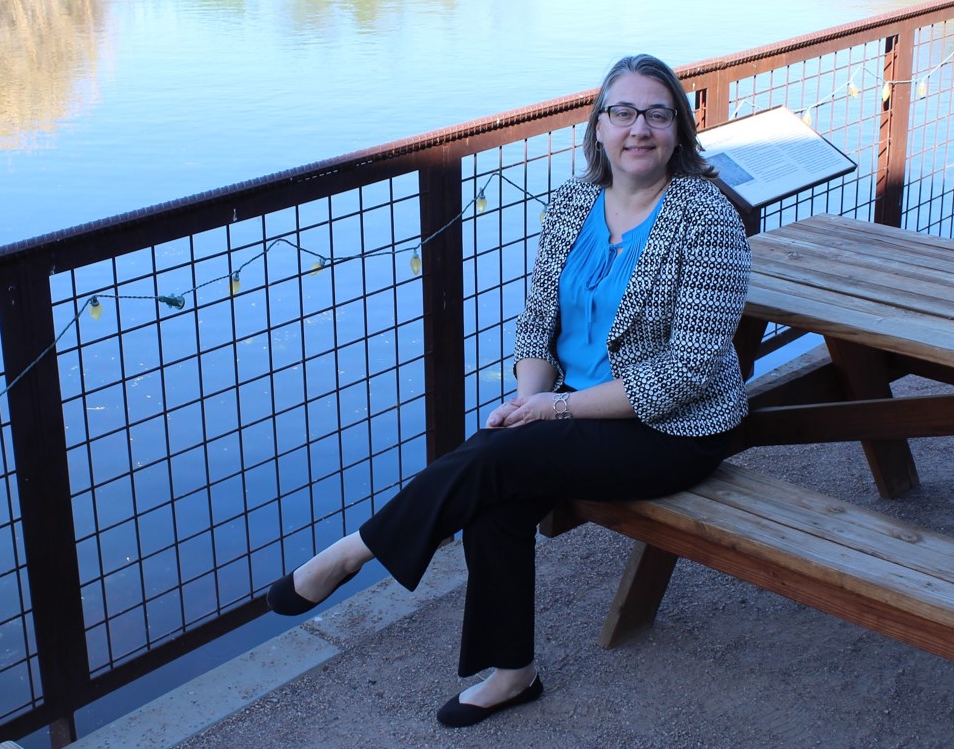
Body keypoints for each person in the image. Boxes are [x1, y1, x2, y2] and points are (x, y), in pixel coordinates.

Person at [266, 54, 751, 727]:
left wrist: (554, 408)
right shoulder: (574, 202)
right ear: (597, 127)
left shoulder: (707, 219)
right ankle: (513, 671)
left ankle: (353, 551)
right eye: (622, 112)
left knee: (493, 461)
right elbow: (535, 324)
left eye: (656, 113)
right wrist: (531, 397)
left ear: (678, 130)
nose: (637, 128)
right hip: (570, 410)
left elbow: (686, 373)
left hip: (670, 429)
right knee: (496, 487)